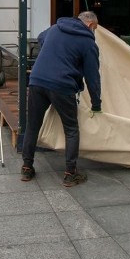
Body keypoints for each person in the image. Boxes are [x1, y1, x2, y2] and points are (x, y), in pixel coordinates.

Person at [21, 11, 102, 187]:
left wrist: (50, 57)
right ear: (89, 25)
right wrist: (96, 104)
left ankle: (27, 168)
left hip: (36, 80)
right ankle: (70, 173)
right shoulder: (88, 42)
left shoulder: (55, 28)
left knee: (33, 126)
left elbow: (41, 38)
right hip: (62, 86)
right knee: (71, 129)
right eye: (94, 29)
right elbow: (92, 77)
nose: (94, 32)